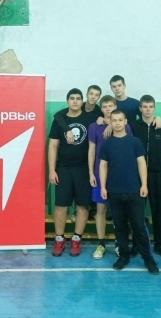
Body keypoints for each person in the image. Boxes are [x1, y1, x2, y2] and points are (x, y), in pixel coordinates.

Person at [99, 110, 159, 274]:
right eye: (114, 120)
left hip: (134, 191)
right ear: (111, 122)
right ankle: (123, 256)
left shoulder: (135, 142)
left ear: (125, 121)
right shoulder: (107, 144)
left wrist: (144, 184)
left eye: (120, 120)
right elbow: (103, 166)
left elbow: (141, 163)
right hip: (114, 191)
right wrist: (103, 187)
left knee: (139, 226)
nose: (117, 123)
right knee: (119, 226)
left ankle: (148, 259)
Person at [48, 88, 96, 256]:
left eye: (78, 98)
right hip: (63, 168)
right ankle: (59, 239)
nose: (75, 101)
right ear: (67, 101)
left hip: (83, 169)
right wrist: (52, 170)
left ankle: (76, 239)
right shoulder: (59, 120)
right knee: (61, 206)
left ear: (82, 101)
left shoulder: (89, 118)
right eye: (72, 98)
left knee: (83, 205)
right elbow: (53, 146)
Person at [88, 95, 132, 259]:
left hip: (119, 175)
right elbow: (91, 150)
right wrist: (91, 173)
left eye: (110, 106)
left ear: (115, 107)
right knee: (101, 209)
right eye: (105, 106)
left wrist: (111, 126)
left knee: (118, 211)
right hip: (100, 173)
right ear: (101, 108)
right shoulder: (94, 126)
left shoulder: (124, 126)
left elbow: (129, 149)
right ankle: (101, 244)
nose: (108, 109)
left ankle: (118, 243)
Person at [131, 95, 161, 260]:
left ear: (154, 108)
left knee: (158, 211)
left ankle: (160, 245)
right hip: (136, 175)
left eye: (150, 107)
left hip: (156, 175)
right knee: (137, 212)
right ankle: (136, 244)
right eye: (145, 107)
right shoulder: (133, 126)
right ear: (140, 109)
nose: (148, 110)